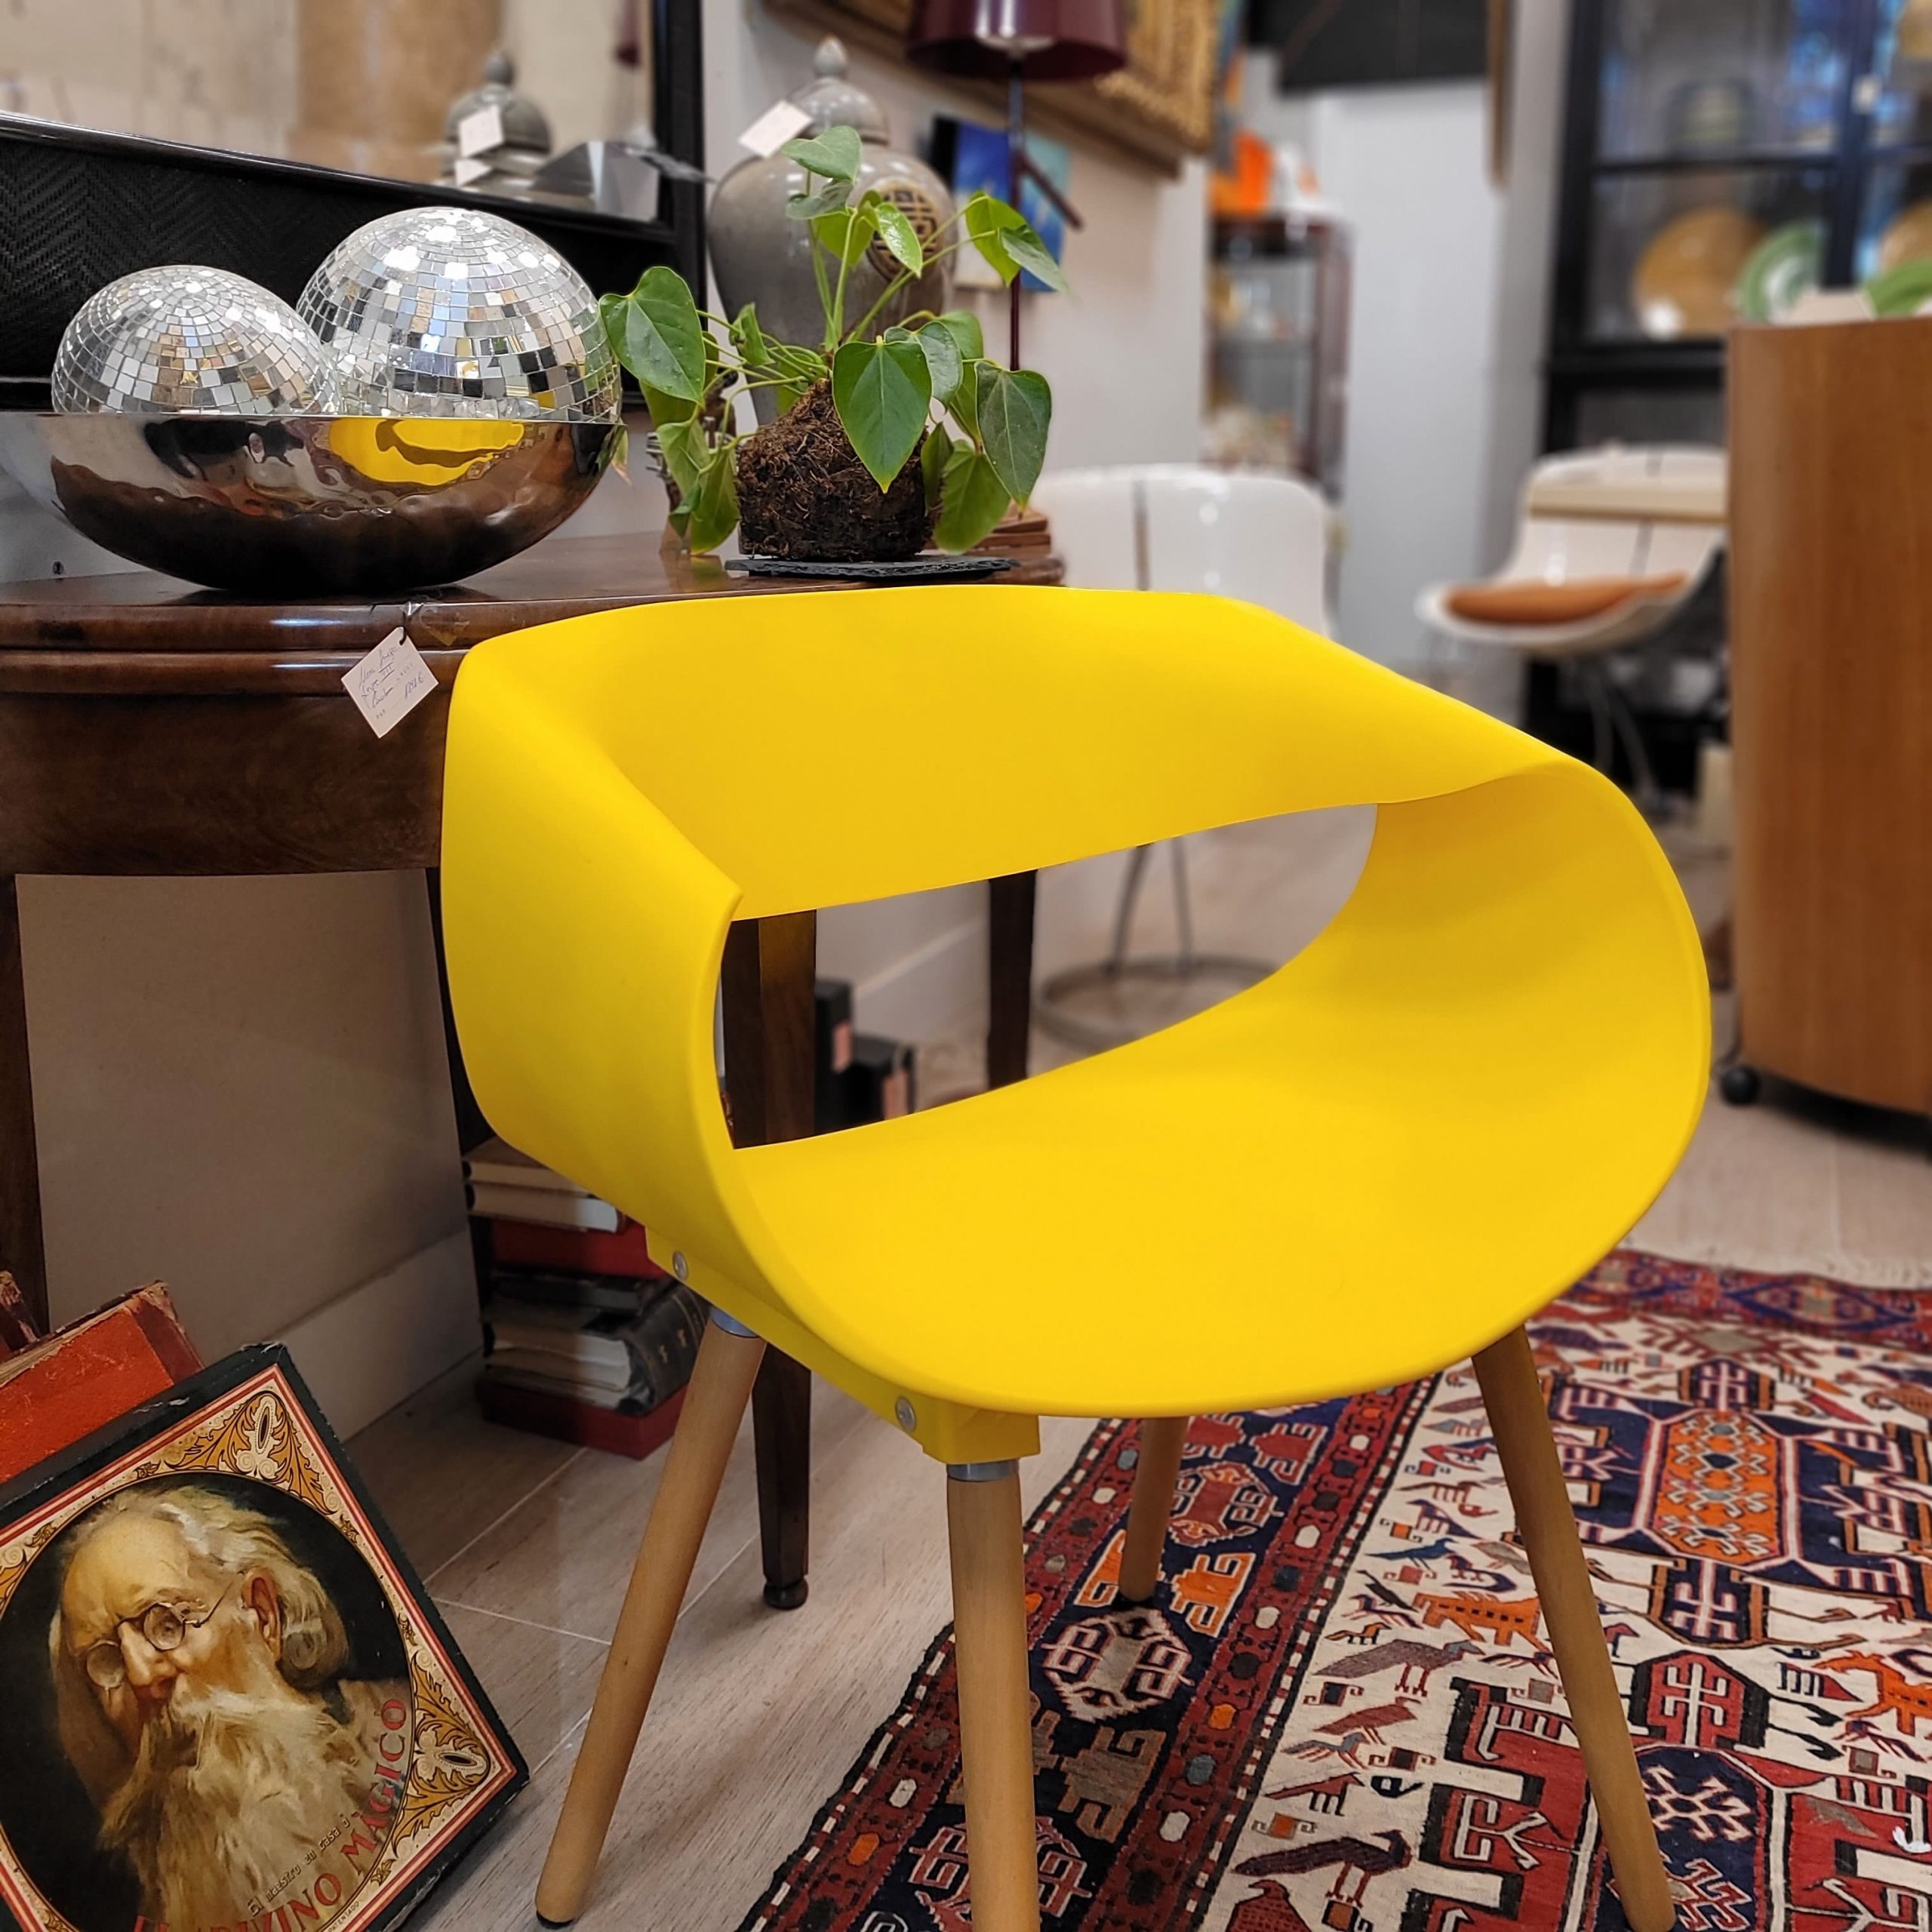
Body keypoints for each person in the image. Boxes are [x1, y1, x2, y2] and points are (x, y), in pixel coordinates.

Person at [48, 1483, 410, 1932]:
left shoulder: (407, 1728)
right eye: (108, 1661)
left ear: (262, 1614)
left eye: (168, 1622)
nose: (142, 1677)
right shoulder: (145, 1904)